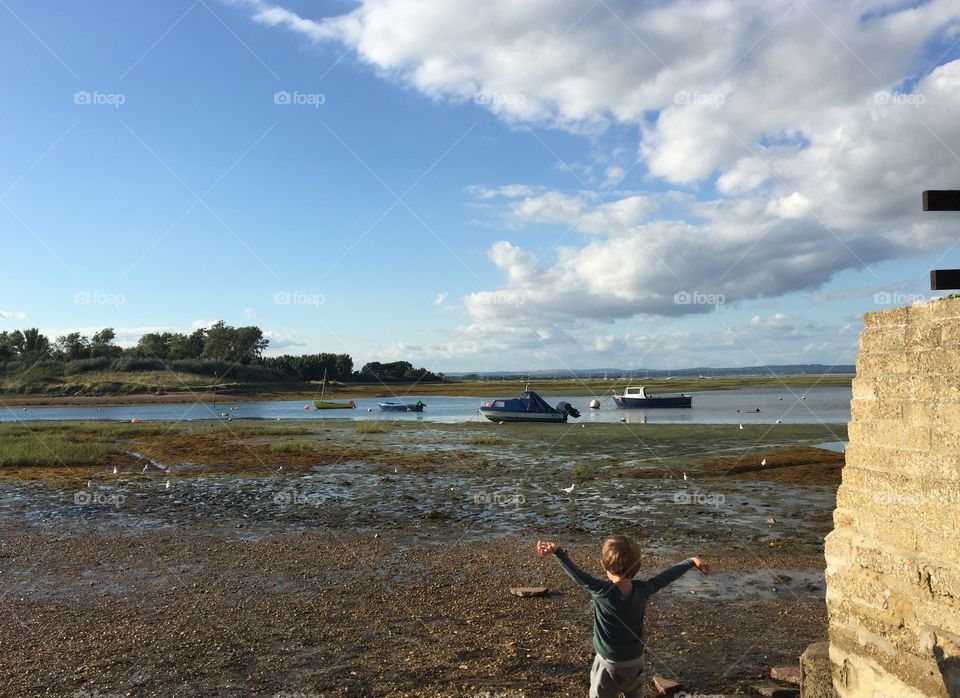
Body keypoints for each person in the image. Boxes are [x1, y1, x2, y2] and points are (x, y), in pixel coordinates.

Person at [536, 537, 710, 698]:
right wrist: (690, 562)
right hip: (635, 661)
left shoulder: (601, 591)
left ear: (603, 565)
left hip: (607, 663)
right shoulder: (644, 589)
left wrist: (557, 552)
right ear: (638, 565)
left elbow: (577, 574)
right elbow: (666, 577)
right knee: (633, 692)